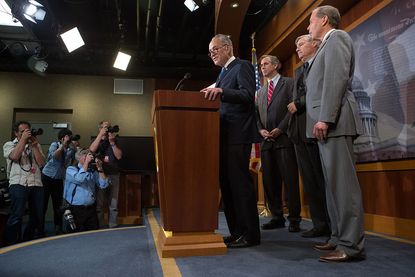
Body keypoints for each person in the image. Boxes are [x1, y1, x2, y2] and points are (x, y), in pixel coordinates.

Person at [305, 5, 365, 262]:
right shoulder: (324, 45)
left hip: (335, 122)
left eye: (310, 21)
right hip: (328, 124)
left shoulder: (337, 38)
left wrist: (325, 118)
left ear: (324, 20)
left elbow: (336, 80)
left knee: (344, 187)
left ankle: (351, 245)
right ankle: (338, 238)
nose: (308, 28)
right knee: (332, 187)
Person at [200, 34, 260, 248]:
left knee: (239, 185)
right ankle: (236, 232)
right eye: (210, 51)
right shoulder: (223, 73)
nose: (212, 54)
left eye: (215, 49)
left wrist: (221, 91)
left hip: (238, 135)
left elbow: (247, 95)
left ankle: (251, 234)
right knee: (227, 186)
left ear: (227, 48)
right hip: (223, 136)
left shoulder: (241, 66)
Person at [287, 35, 331, 238]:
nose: (297, 48)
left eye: (301, 44)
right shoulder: (299, 70)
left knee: (322, 179)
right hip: (298, 131)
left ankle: (331, 224)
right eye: (296, 46)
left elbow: (322, 90)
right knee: (309, 181)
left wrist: (300, 103)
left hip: (315, 129)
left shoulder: (323, 62)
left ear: (315, 44)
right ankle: (319, 223)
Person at [255, 55, 301, 232]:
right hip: (266, 142)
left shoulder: (289, 83)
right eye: (260, 65)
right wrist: (260, 130)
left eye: (266, 64)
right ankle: (276, 217)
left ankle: (295, 218)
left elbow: (292, 109)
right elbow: (257, 116)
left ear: (276, 65)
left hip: (284, 139)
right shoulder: (260, 92)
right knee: (270, 182)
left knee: (289, 180)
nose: (262, 67)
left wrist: (281, 129)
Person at [3, 121, 45, 244]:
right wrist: (23, 140)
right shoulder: (9, 144)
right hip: (18, 183)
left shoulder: (35, 144)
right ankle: (9, 244)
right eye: (22, 131)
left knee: (37, 216)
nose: (27, 133)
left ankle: (27, 240)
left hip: (36, 183)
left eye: (28, 131)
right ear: (16, 133)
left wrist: (35, 146)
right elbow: (15, 156)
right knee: (17, 215)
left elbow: (41, 163)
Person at [63, 149, 109, 232]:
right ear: (79, 158)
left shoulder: (91, 171)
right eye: (86, 155)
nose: (89, 157)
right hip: (76, 210)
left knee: (93, 235)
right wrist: (86, 163)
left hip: (91, 209)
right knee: (75, 236)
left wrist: (100, 168)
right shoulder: (71, 169)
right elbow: (79, 179)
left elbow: (104, 185)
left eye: (89, 155)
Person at [41, 128, 76, 235]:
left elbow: (72, 160)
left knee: (58, 206)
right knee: (43, 205)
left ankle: (58, 227)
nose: (69, 139)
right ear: (62, 138)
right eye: (67, 137)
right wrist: (63, 146)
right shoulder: (54, 145)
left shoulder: (71, 149)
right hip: (47, 178)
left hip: (58, 180)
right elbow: (55, 157)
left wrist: (72, 149)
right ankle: (40, 228)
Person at [89, 121, 122, 228]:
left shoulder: (114, 141)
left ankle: (113, 225)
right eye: (105, 127)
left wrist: (112, 143)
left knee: (113, 204)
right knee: (99, 204)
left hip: (114, 174)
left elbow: (119, 157)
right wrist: (100, 135)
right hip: (100, 175)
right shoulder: (97, 140)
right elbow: (91, 150)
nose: (107, 129)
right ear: (100, 129)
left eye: (109, 127)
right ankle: (99, 226)